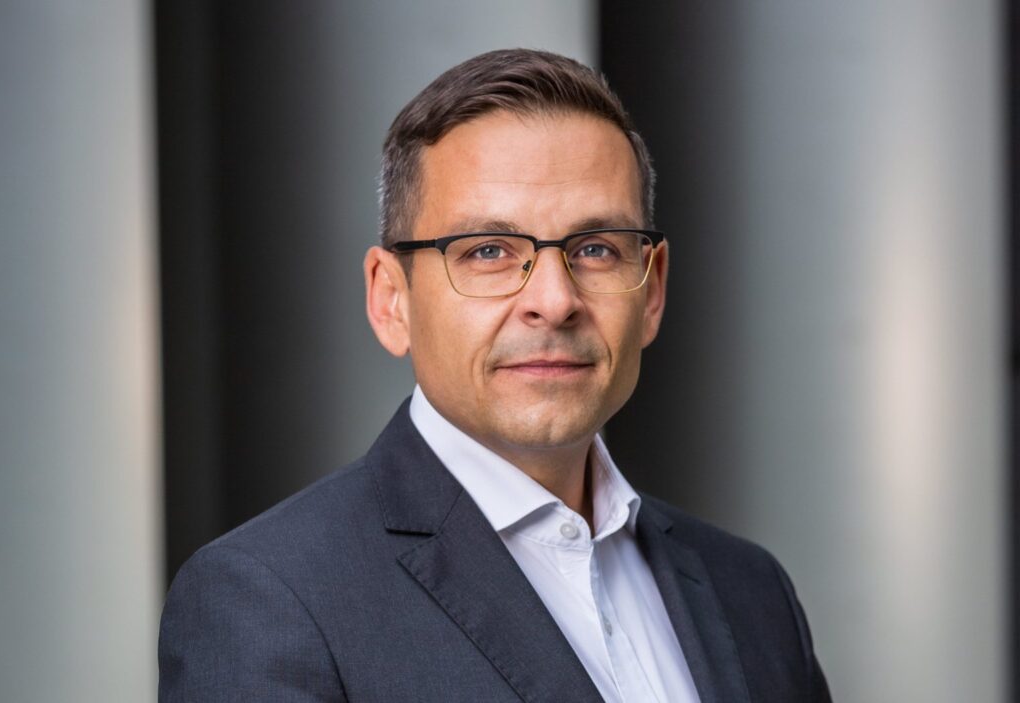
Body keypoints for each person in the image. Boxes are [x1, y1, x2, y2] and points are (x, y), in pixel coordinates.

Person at [158, 49, 831, 703]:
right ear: (391, 300)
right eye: (487, 250)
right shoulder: (269, 600)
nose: (555, 300)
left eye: (596, 248)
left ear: (651, 291)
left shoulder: (751, 591)